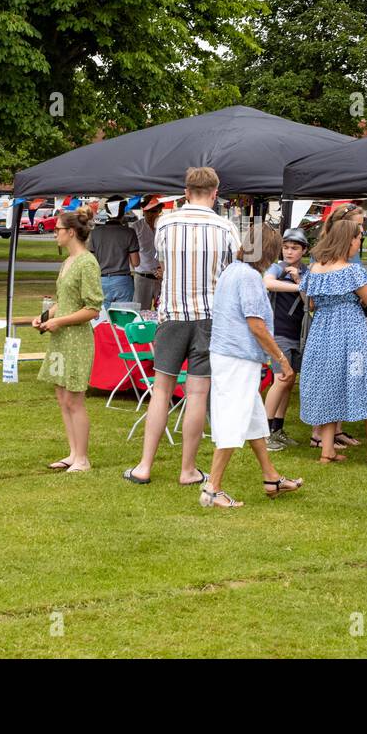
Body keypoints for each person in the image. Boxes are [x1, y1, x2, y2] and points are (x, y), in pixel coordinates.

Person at [123, 167, 239, 485]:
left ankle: (144, 466)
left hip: (173, 314)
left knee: (160, 390)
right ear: (215, 194)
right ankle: (187, 469)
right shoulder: (226, 228)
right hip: (209, 318)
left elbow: (162, 260)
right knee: (198, 393)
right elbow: (230, 272)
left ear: (186, 191)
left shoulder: (165, 223)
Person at [201, 224, 304, 508]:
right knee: (234, 420)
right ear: (268, 251)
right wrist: (281, 360)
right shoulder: (248, 277)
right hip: (238, 357)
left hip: (228, 355)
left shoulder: (232, 270)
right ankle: (212, 488)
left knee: (254, 419)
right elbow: (256, 324)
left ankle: (271, 477)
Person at [300, 218, 367, 466]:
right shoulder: (352, 271)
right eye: (358, 239)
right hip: (351, 336)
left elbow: (310, 304)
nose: (359, 244)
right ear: (348, 241)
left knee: (328, 387)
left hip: (321, 336)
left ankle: (327, 450)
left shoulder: (314, 270)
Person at [34, 207, 104, 473]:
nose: (54, 235)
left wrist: (58, 321)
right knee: (62, 397)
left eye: (57, 230)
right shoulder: (68, 262)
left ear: (71, 232)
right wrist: (43, 317)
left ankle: (83, 459)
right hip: (60, 339)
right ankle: (73, 453)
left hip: (77, 340)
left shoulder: (87, 263)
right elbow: (63, 302)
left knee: (75, 399)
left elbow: (93, 309)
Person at [262, 228, 309, 450]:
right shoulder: (277, 267)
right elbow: (268, 283)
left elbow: (311, 303)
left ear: (304, 250)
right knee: (280, 378)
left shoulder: (306, 272)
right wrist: (297, 285)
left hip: (297, 334)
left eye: (295, 248)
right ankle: (264, 431)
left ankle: (277, 428)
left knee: (289, 381)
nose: (289, 252)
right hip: (278, 331)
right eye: (286, 247)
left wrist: (300, 279)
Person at [88, 197, 139, 310]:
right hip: (122, 281)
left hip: (101, 280)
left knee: (103, 321)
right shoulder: (129, 232)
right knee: (123, 321)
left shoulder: (95, 233)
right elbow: (136, 262)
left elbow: (91, 261)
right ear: (123, 212)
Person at [132, 197, 163, 310]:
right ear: (143, 210)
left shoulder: (164, 226)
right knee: (140, 312)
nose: (150, 214)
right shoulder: (136, 227)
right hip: (142, 277)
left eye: (154, 211)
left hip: (162, 277)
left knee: (163, 311)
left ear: (159, 211)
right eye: (147, 211)